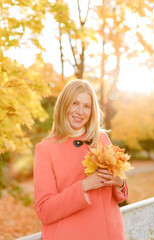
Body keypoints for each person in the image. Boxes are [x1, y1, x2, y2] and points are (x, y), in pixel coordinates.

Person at [34, 79, 128, 240]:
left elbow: (120, 194)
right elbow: (44, 210)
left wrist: (118, 182)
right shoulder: (46, 148)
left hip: (111, 233)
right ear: (64, 105)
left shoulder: (102, 138)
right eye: (75, 103)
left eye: (87, 106)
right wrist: (84, 186)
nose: (80, 111)